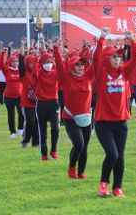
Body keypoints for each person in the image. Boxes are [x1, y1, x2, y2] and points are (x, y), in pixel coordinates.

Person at [93, 28, 136, 198]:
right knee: (112, 153)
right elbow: (96, 57)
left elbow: (135, 60)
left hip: (121, 122)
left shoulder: (124, 72)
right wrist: (102, 39)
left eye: (119, 56)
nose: (118, 59)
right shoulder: (101, 73)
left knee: (120, 156)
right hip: (103, 122)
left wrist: (132, 41)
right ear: (107, 58)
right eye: (114, 56)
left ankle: (117, 188)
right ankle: (104, 183)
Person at [53, 38, 94, 179]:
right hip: (70, 117)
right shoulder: (66, 78)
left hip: (87, 117)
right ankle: (72, 167)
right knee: (79, 143)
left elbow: (97, 62)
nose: (81, 66)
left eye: (82, 64)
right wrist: (55, 49)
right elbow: (59, 65)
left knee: (85, 146)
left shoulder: (88, 76)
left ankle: (81, 172)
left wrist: (100, 41)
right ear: (71, 66)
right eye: (77, 65)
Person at [35, 50, 60, 161]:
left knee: (55, 128)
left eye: (50, 61)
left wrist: (56, 51)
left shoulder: (55, 73)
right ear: (42, 63)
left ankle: (53, 150)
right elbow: (34, 67)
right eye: (46, 61)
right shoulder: (39, 73)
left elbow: (61, 65)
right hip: (41, 103)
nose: (49, 64)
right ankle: (44, 153)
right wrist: (37, 56)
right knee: (43, 129)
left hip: (53, 103)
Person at [18, 38, 39, 148]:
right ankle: (25, 140)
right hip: (27, 103)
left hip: (38, 101)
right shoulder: (24, 73)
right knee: (30, 121)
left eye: (33, 62)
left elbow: (39, 61)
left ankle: (36, 142)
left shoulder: (37, 74)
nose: (32, 64)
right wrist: (22, 45)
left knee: (36, 122)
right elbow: (21, 59)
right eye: (30, 62)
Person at [0, 50, 24, 138]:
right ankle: (12, 132)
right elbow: (1, 65)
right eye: (13, 61)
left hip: (19, 96)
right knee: (11, 114)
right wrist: (3, 53)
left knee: (21, 112)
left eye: (17, 61)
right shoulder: (7, 70)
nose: (15, 63)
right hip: (9, 96)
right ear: (10, 62)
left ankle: (20, 129)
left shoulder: (21, 71)